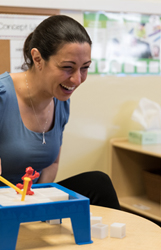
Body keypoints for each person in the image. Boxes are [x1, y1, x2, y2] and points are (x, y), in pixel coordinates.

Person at [0, 15, 120, 210]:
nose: (77, 79)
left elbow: (51, 164)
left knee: (98, 183)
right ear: (38, 59)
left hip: (29, 199)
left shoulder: (60, 100)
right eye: (67, 68)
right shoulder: (2, 96)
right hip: (4, 203)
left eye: (85, 68)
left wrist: (37, 206)